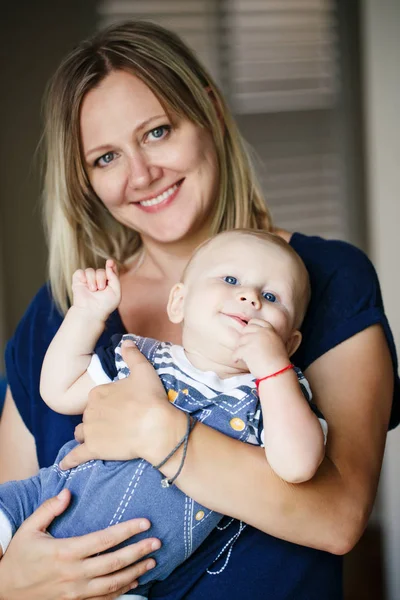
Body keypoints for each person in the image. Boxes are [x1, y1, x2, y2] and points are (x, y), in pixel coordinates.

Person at [0, 19, 398, 600]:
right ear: (85, 181)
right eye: (106, 158)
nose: (141, 174)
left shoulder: (324, 280)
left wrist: (157, 429)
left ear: (209, 111)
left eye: (157, 132)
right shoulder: (61, 311)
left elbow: (336, 518)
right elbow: (17, 504)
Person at [0, 229, 328, 595]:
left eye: (270, 296)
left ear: (291, 342)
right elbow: (60, 391)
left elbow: (298, 466)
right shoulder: (141, 356)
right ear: (179, 303)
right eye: (230, 279)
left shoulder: (276, 397)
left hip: (126, 580)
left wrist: (273, 369)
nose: (249, 297)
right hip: (39, 502)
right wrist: (87, 315)